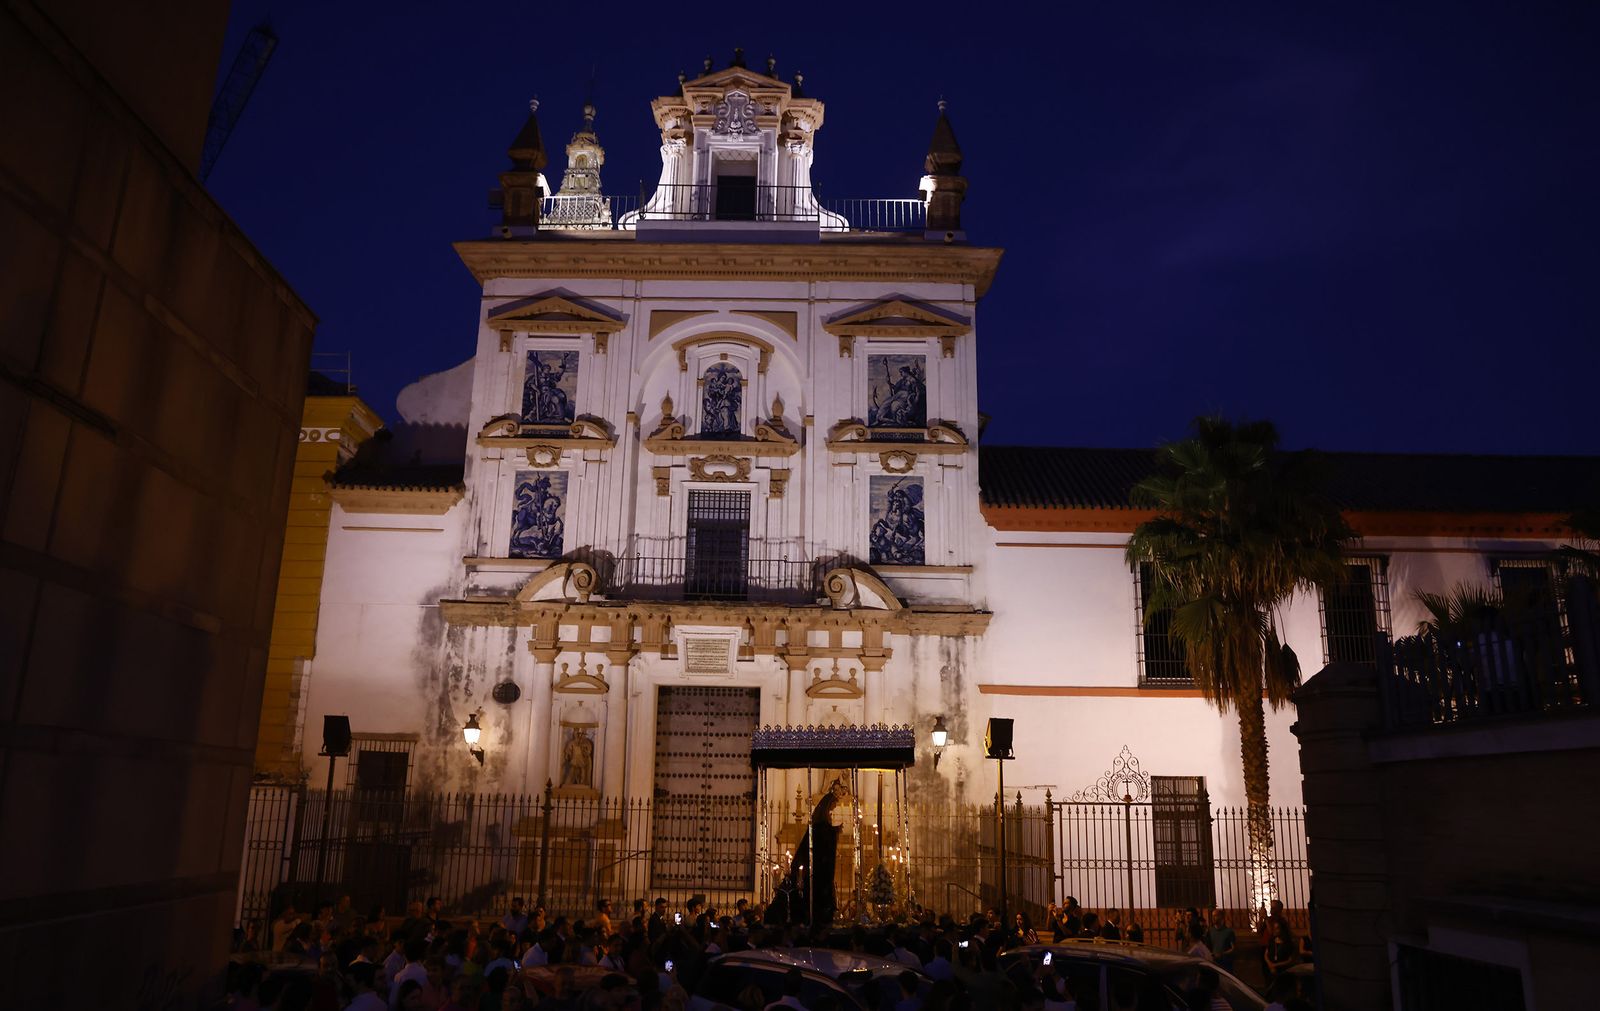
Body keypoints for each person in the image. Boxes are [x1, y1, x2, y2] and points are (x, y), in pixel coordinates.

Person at [1263, 919, 1299, 985]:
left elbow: (1290, 960)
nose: (1274, 930)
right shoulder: (1272, 941)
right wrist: (1270, 964)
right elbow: (1266, 954)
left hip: (1283, 971)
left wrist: (1275, 965)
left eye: (1277, 928)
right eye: (1274, 928)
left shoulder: (1288, 943)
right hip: (1271, 970)